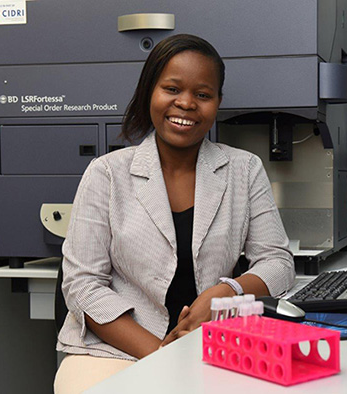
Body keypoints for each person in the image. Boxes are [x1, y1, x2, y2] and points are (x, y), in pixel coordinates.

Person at [54, 34, 295, 393]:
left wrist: (226, 293)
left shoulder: (243, 170)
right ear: (150, 91)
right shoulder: (106, 174)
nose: (186, 104)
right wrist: (162, 355)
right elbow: (83, 285)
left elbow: (277, 261)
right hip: (113, 350)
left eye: (203, 94)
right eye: (172, 89)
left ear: (217, 102)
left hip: (215, 344)